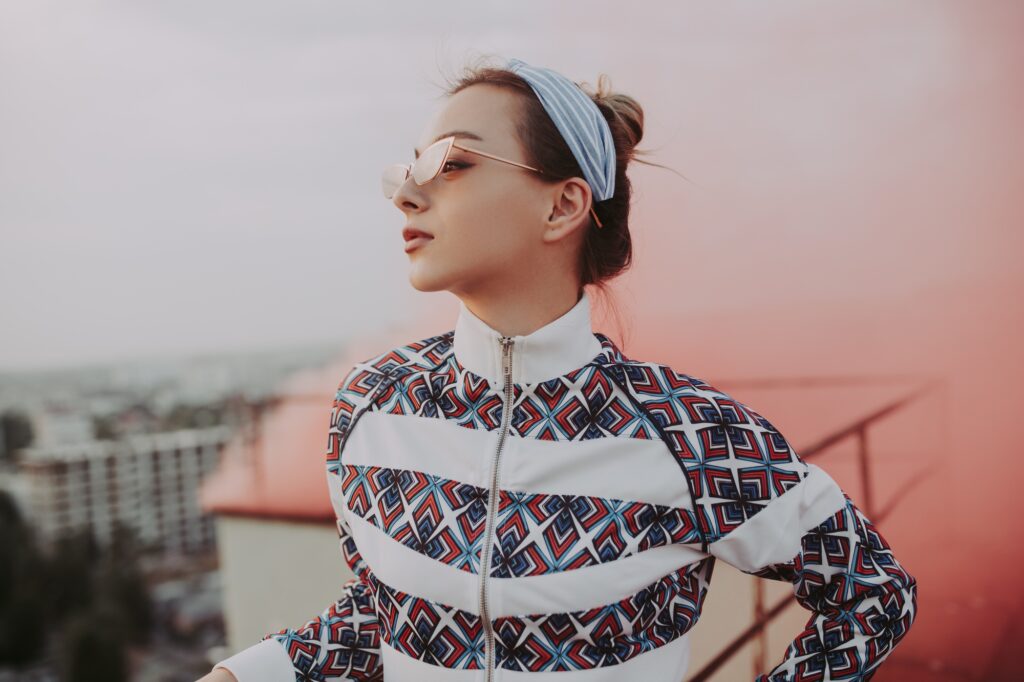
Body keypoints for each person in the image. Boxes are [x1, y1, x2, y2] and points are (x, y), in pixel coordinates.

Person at [199, 56, 917, 682]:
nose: (406, 194)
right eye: (407, 168)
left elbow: (873, 593)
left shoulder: (691, 433)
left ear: (563, 204)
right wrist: (243, 672)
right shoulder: (369, 407)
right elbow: (387, 619)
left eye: (450, 163)